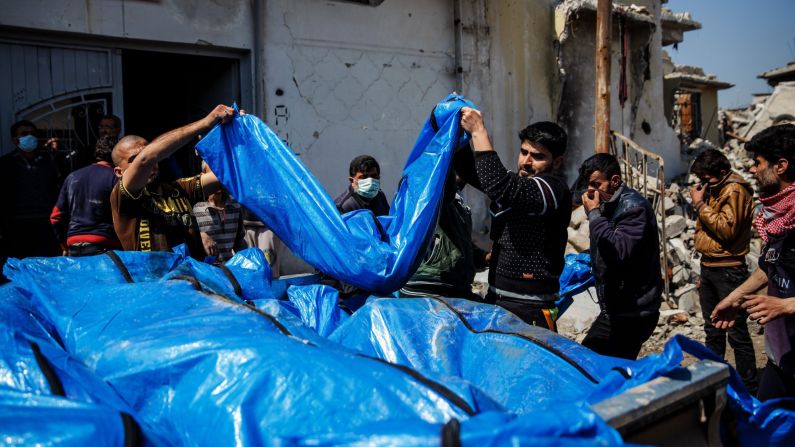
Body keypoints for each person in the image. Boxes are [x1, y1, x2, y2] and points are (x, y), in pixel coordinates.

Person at [459, 108, 571, 331]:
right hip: (497, 298)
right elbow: (470, 170)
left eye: (538, 157)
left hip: (530, 309)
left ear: (556, 163)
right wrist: (455, 130)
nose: (526, 162)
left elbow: (501, 186)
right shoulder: (521, 185)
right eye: (524, 152)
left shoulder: (552, 189)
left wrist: (479, 132)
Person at [712, 124, 795, 400]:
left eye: (758, 163)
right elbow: (769, 264)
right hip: (781, 358)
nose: (752, 169)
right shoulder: (777, 218)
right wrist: (736, 297)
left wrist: (785, 305)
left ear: (781, 166)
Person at [109, 104, 235, 258]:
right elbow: (146, 159)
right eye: (132, 161)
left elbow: (226, 174)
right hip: (152, 280)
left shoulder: (179, 189)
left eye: (153, 158)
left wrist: (236, 133)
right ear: (119, 172)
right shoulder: (124, 197)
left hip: (188, 279)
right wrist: (205, 123)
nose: (150, 164)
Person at [577, 153, 662, 359]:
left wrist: (594, 214)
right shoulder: (609, 203)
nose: (592, 192)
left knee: (614, 372)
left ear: (615, 181)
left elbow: (617, 251)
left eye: (596, 185)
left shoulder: (634, 208)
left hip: (635, 312)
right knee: (588, 359)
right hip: (616, 308)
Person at [689, 148, 758, 392]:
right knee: (712, 329)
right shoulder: (717, 188)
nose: (703, 185)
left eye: (707, 179)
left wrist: (699, 205)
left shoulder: (734, 190)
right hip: (710, 266)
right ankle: (713, 382)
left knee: (736, 332)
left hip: (729, 270)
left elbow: (726, 230)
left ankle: (750, 388)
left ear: (721, 173)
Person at [399, 173, 489, 299]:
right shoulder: (434, 196)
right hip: (430, 288)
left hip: (453, 287)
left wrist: (483, 257)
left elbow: (457, 245)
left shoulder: (458, 203)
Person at [0, 120, 62, 261]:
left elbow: (56, 190)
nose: (30, 137)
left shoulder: (48, 162)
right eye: (24, 134)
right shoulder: (5, 164)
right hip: (16, 226)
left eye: (33, 134)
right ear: (15, 140)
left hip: (44, 223)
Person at [50, 136, 121, 256]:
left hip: (73, 244)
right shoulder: (116, 178)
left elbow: (55, 216)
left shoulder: (72, 177)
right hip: (105, 244)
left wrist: (64, 246)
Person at [193, 163, 246, 263]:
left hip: (229, 271)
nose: (216, 179)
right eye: (212, 175)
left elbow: (239, 243)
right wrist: (201, 235)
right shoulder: (195, 207)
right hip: (205, 272)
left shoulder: (234, 205)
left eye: (220, 174)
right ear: (202, 176)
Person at [242, 207, 282, 277]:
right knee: (248, 269)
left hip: (269, 226)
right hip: (244, 224)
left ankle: (273, 287)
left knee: (270, 269)